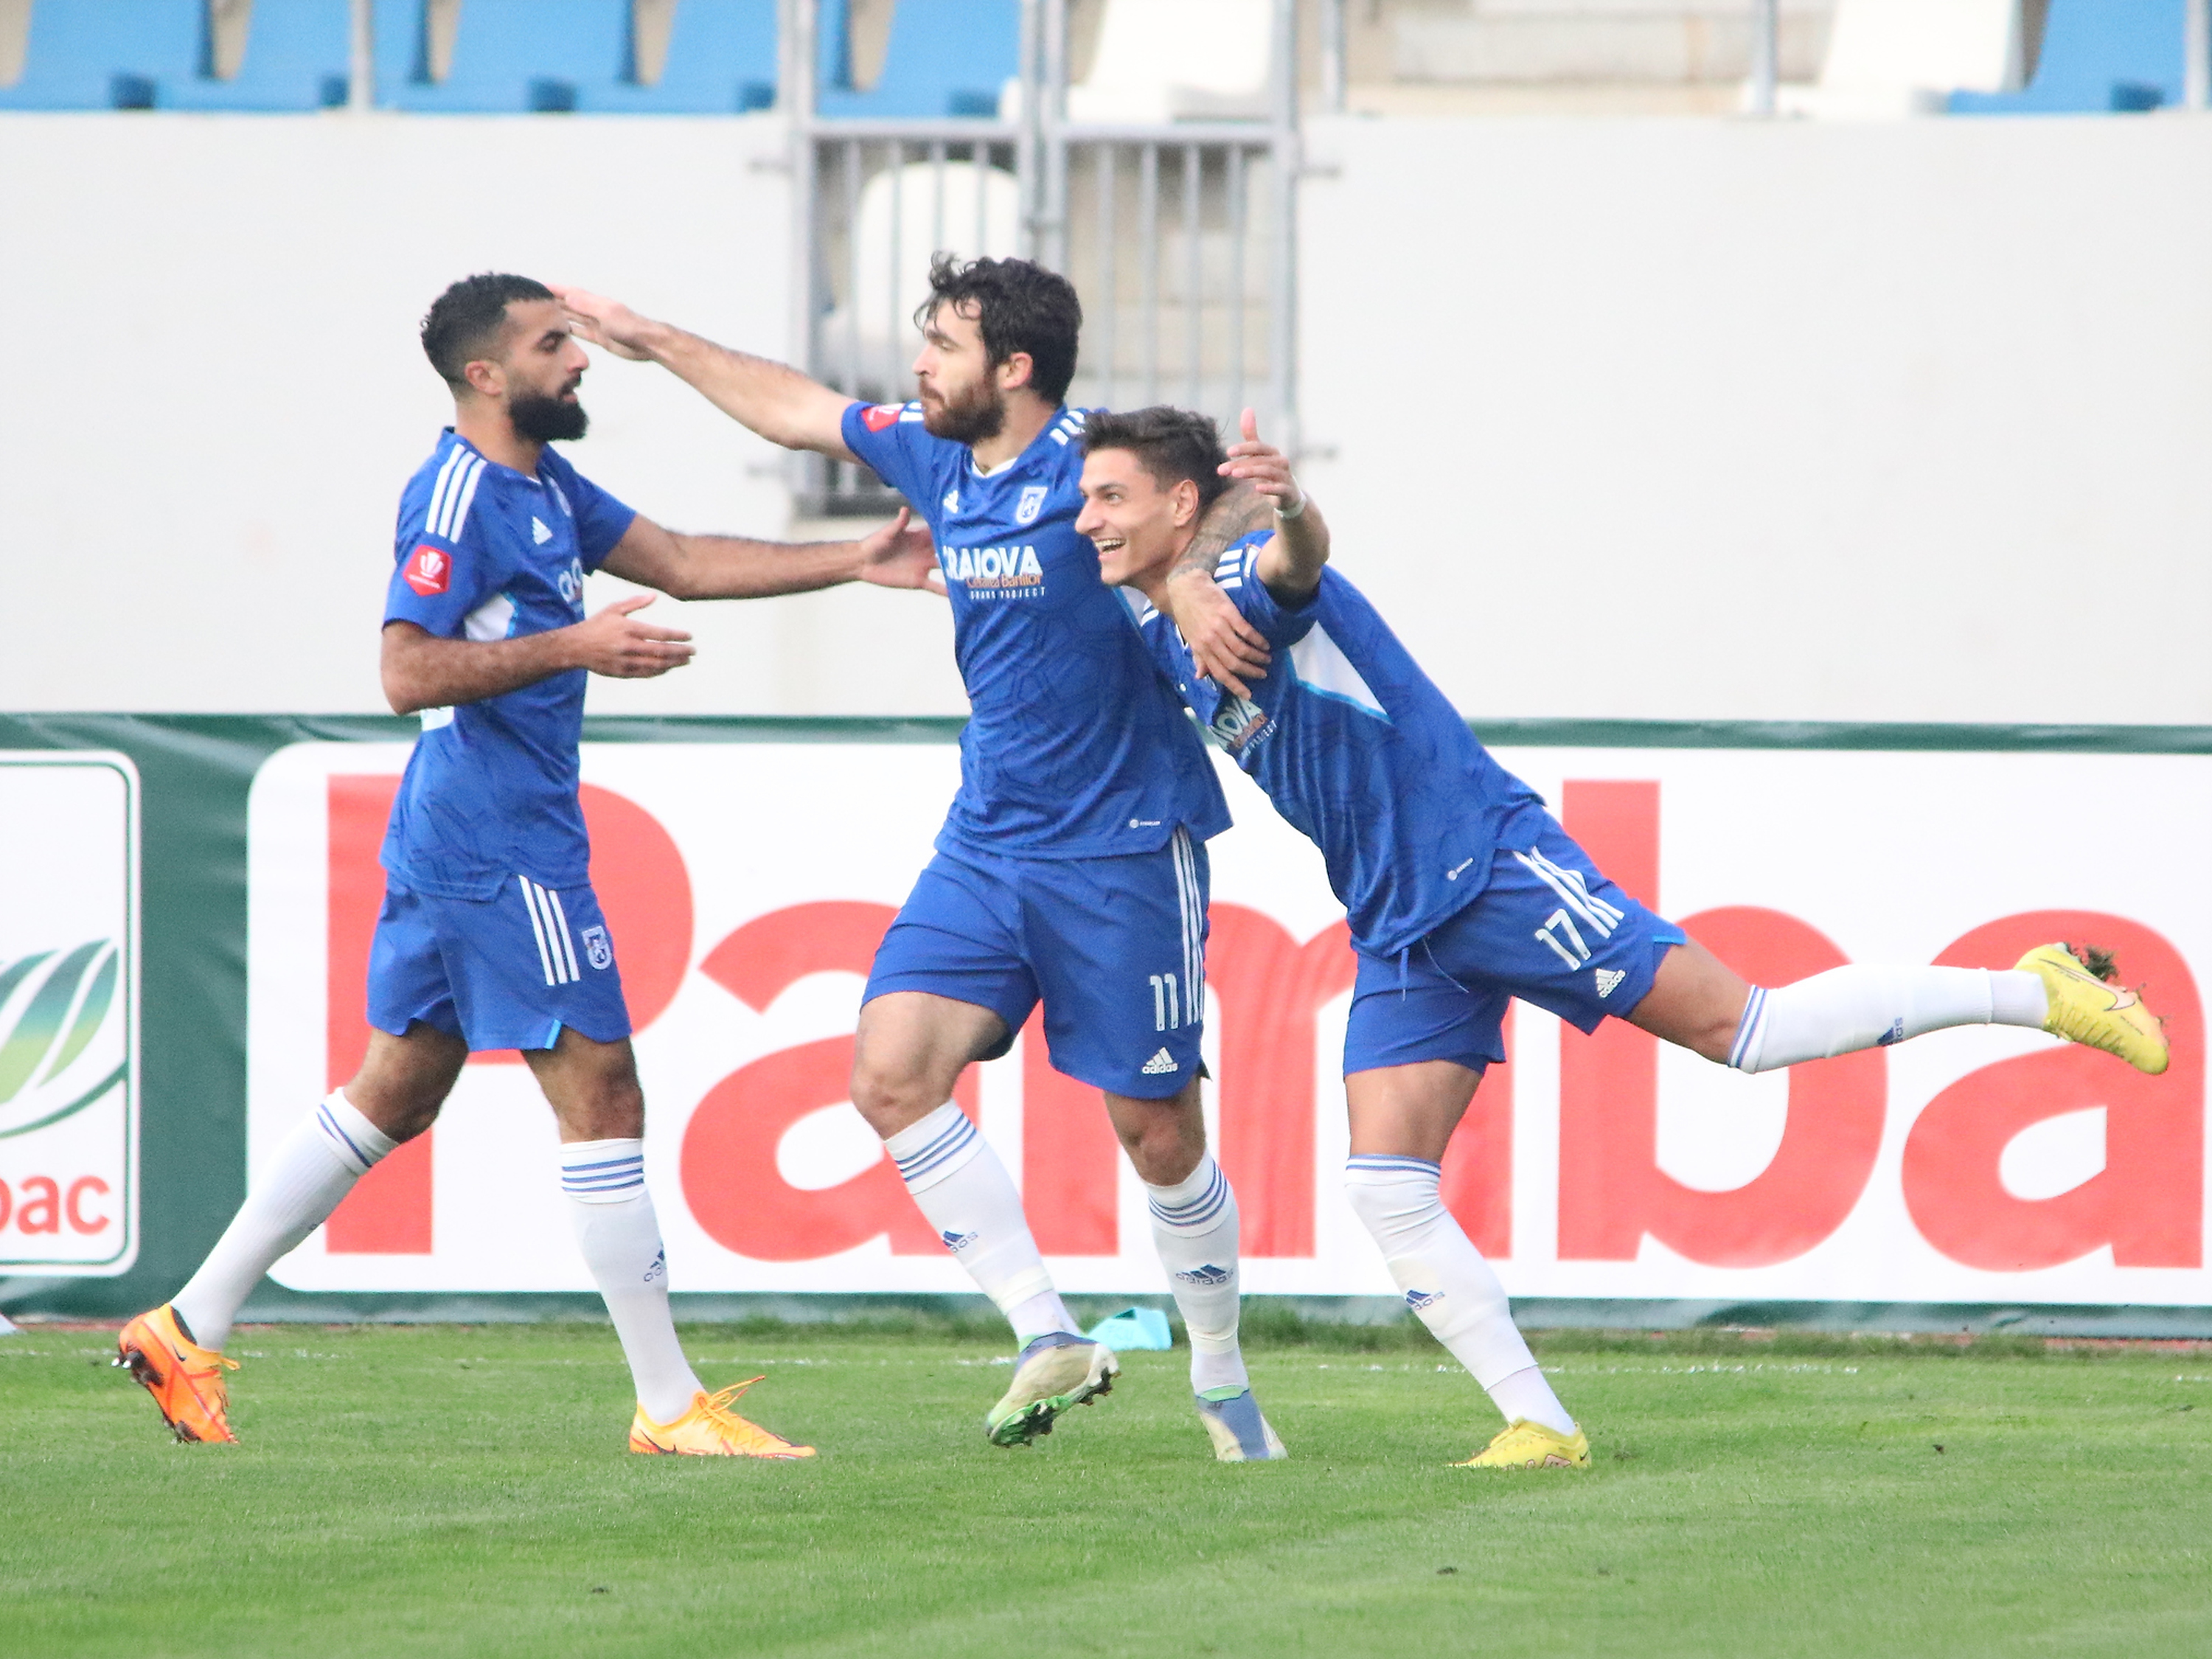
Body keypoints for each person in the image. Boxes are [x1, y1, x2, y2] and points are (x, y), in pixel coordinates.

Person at [1074, 404, 2169, 1472]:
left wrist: (1295, 505)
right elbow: (1115, 539)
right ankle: (1542, 1425)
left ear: (1178, 502)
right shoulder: (1159, 604)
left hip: (1486, 865)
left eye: (1110, 498)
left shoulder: (1236, 588)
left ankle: (2035, 988)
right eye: (1083, 499)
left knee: (1751, 1030)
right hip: (1399, 912)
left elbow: (1294, 560)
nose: (1088, 519)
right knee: (1384, 1180)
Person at [116, 272, 942, 1457]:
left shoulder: (544, 482)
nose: (581, 360)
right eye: (555, 344)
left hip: (467, 825)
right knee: (603, 1092)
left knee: (396, 1087)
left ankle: (183, 1324)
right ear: (485, 374)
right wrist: (581, 646)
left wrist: (854, 559)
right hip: (499, 837)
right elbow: (405, 670)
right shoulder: (457, 495)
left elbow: (684, 559)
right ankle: (668, 1407)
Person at [553, 260, 1285, 1460]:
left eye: (942, 343)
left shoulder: (1097, 464)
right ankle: (1047, 1331)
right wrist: (652, 338)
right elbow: (795, 407)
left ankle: (1222, 1376)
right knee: (889, 1073)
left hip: (1124, 847)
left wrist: (1196, 576)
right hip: (988, 839)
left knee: (1159, 1135)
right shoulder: (936, 454)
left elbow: (1219, 511)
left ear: (1015, 369)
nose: (919, 365)